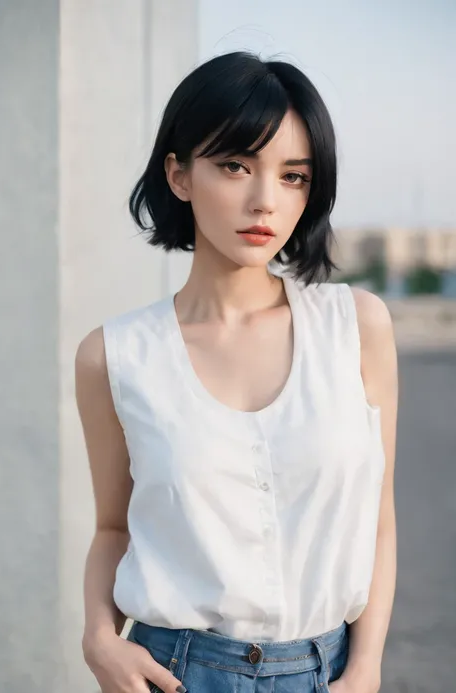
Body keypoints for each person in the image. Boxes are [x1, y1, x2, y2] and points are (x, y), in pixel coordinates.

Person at [75, 51, 398, 693]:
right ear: (179, 175)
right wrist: (97, 641)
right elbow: (114, 527)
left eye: (293, 176)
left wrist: (366, 667)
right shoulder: (113, 355)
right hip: (173, 672)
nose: (264, 201)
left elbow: (378, 515)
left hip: (329, 672)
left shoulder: (356, 327)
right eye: (235, 165)